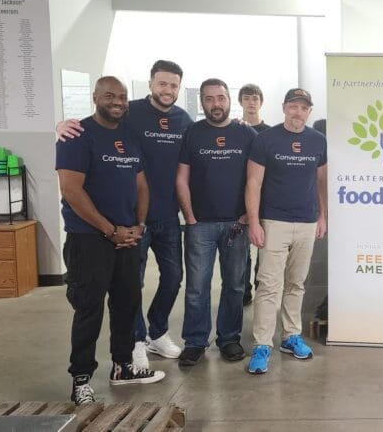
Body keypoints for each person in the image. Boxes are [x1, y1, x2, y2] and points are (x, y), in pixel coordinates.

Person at [57, 60, 192, 366]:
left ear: (179, 87)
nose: (167, 90)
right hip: (128, 220)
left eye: (173, 85)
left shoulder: (184, 120)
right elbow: (96, 124)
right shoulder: (129, 111)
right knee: (132, 287)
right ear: (151, 84)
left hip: (167, 215)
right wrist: (61, 124)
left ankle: (157, 333)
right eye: (162, 83)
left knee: (173, 278)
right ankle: (136, 341)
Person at [56, 76, 164, 405]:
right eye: (109, 96)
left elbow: (141, 184)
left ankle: (123, 367)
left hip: (128, 237)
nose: (117, 101)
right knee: (89, 309)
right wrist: (109, 229)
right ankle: (81, 379)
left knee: (126, 304)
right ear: (95, 97)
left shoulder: (129, 136)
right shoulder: (76, 135)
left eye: (122, 96)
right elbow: (71, 190)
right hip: (90, 239)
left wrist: (139, 225)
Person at [245, 88, 328, 375]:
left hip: (306, 222)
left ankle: (291, 336)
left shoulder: (318, 141)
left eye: (303, 108)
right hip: (274, 222)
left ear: (309, 112)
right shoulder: (266, 140)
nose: (298, 112)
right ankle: (261, 345)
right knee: (269, 285)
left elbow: (321, 181)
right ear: (283, 108)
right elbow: (253, 183)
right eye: (293, 106)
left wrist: (322, 216)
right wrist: (254, 223)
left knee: (296, 283)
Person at [176, 78, 257, 367]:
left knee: (235, 285)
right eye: (209, 99)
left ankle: (229, 339)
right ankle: (195, 342)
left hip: (237, 223)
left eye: (220, 98)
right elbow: (182, 178)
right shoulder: (192, 133)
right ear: (202, 102)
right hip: (201, 225)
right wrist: (190, 216)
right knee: (197, 286)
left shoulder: (246, 135)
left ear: (229, 100)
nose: (216, 104)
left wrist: (250, 214)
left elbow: (256, 178)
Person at [238, 83, 269, 306]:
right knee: (240, 252)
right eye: (247, 98)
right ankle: (242, 291)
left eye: (255, 98)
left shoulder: (270, 133)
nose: (252, 102)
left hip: (266, 199)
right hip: (238, 200)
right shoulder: (234, 130)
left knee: (264, 249)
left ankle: (261, 290)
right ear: (240, 101)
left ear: (261, 102)